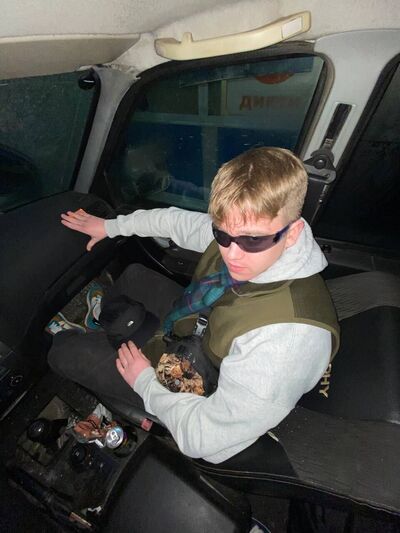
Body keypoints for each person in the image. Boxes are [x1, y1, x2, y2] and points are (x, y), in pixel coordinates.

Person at [48, 147, 339, 464]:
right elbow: (178, 222)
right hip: (205, 328)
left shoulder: (284, 345)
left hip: (203, 387)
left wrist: (144, 382)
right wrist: (111, 227)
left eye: (252, 240)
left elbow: (203, 437)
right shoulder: (249, 227)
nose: (232, 254)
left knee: (64, 352)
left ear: (293, 233)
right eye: (222, 234)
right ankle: (106, 326)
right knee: (133, 276)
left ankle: (92, 338)